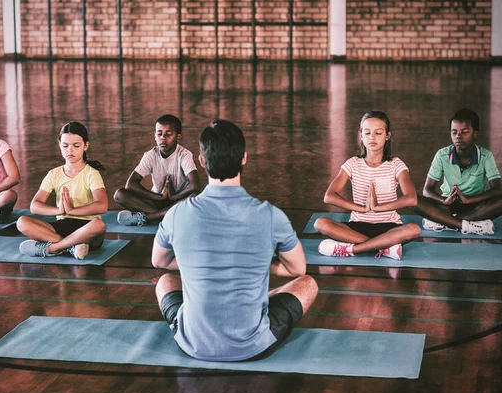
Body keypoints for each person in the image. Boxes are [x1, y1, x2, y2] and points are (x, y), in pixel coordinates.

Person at [152, 119, 318, 362]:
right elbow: (297, 269)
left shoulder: (176, 214)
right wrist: (256, 262)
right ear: (244, 158)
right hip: (252, 345)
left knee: (165, 282)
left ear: (201, 161)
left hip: (192, 343)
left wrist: (201, 260)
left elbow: (160, 261)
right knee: (308, 284)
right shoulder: (271, 215)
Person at [313, 110, 421, 260]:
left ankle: (352, 249)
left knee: (413, 229)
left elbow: (411, 199)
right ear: (361, 135)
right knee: (320, 223)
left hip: (389, 227)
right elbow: (329, 196)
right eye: (367, 132)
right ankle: (383, 248)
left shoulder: (396, 164)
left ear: (387, 136)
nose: (372, 137)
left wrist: (378, 208)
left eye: (378, 133)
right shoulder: (352, 164)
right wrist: (361, 208)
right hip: (357, 226)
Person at [17, 122, 107, 260]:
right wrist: (59, 211)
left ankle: (53, 248)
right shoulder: (54, 174)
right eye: (65, 145)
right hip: (63, 224)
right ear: (59, 144)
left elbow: (102, 205)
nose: (69, 150)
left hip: (87, 228)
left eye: (76, 146)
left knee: (99, 225)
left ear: (86, 146)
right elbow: (35, 205)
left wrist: (72, 210)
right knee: (22, 222)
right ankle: (71, 247)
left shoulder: (91, 174)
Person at [414, 108, 501, 235]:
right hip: (447, 205)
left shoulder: (485, 156)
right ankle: (468, 225)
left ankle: (443, 221)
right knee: (413, 200)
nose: (458, 136)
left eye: (464, 132)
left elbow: (498, 190)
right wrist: (444, 200)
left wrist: (469, 200)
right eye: (454, 132)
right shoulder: (442, 155)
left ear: (475, 134)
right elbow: (427, 190)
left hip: (475, 207)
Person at [113, 114, 201, 226]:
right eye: (159, 134)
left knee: (194, 196)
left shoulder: (184, 155)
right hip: (156, 201)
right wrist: (160, 197)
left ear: (178, 137)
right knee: (119, 194)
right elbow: (130, 184)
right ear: (155, 136)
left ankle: (148, 218)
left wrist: (174, 196)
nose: (163, 138)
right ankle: (167, 216)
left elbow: (195, 185)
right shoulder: (150, 155)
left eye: (168, 134)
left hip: (177, 201)